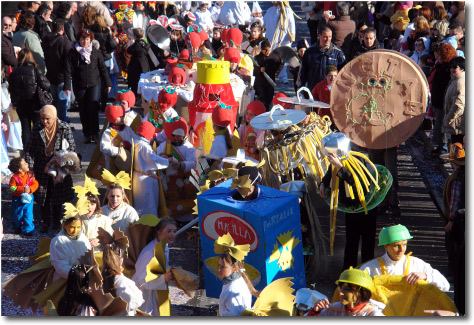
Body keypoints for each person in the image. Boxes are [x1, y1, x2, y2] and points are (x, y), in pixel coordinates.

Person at [319, 152, 377, 270]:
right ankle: (349, 274)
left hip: (367, 204)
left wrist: (340, 167)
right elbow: (330, 173)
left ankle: (367, 273)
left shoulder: (359, 158)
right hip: (351, 206)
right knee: (351, 241)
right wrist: (323, 183)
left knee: (367, 242)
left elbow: (358, 182)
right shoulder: (338, 159)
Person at [24, 105, 76, 233]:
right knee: (43, 196)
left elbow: (72, 148)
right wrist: (30, 167)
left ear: (54, 117)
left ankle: (57, 222)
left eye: (48, 119)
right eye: (42, 118)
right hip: (42, 166)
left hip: (59, 166)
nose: (44, 121)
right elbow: (29, 149)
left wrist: (63, 160)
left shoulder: (64, 127)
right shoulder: (37, 128)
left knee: (58, 195)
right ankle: (46, 222)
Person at [359, 224, 450, 292]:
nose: (401, 249)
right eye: (396, 246)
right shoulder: (370, 268)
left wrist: (426, 276)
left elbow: (445, 285)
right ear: (386, 246)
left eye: (404, 244)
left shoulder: (416, 264)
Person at [64, 29, 112, 144]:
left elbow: (102, 68)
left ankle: (95, 133)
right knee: (83, 109)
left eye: (87, 39)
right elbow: (67, 70)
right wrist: (67, 86)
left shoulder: (95, 52)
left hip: (94, 84)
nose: (84, 42)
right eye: (82, 39)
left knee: (93, 107)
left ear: (90, 40)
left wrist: (108, 83)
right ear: (78, 39)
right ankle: (87, 133)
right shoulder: (73, 53)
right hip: (79, 84)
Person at [132, 217, 178, 316]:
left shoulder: (164, 246)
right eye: (169, 231)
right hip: (145, 295)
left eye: (174, 231)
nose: (172, 234)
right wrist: (162, 278)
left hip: (156, 291)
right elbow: (141, 279)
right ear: (159, 232)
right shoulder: (150, 252)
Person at [8, 48, 50, 146]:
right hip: (35, 102)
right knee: (38, 126)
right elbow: (46, 85)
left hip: (21, 104)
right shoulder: (35, 69)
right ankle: (38, 148)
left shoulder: (14, 72)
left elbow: (12, 89)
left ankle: (27, 151)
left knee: (25, 128)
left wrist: (14, 103)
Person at [307, 267, 384, 316]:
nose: (340, 293)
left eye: (347, 289)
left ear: (362, 293)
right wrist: (315, 312)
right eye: (341, 288)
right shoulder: (334, 309)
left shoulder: (373, 314)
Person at [214, 233, 259, 316]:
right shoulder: (238, 279)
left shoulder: (232, 290)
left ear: (235, 269)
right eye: (219, 265)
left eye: (223, 267)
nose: (219, 269)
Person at [101, 231, 144, 316]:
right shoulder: (120, 281)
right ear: (121, 260)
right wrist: (138, 292)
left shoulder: (102, 278)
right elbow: (135, 301)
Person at [132, 121, 170, 216]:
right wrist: (167, 160)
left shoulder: (136, 142)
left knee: (140, 204)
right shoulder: (144, 146)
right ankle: (149, 226)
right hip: (146, 180)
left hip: (138, 176)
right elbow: (153, 159)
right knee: (149, 205)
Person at [50, 202, 92, 281]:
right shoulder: (58, 241)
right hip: (66, 280)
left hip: (83, 278)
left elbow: (89, 257)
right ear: (64, 225)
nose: (75, 231)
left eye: (78, 227)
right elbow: (60, 266)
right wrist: (77, 274)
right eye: (72, 227)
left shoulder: (83, 238)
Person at [440, 143, 464, 279]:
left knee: (452, 246)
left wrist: (451, 220)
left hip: (458, 219)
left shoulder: (457, 179)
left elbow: (455, 201)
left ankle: (454, 273)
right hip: (462, 218)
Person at [297, 26, 346, 92]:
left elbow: (343, 73)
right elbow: (303, 72)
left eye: (330, 37)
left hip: (330, 91)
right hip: (313, 90)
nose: (327, 39)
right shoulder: (310, 52)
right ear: (319, 36)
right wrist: (301, 90)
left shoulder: (337, 52)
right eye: (325, 37)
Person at [428, 42, 457, 155]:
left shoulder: (447, 69)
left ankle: (443, 149)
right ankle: (440, 147)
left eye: (440, 55)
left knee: (442, 127)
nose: (438, 57)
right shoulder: (440, 66)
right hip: (438, 101)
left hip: (443, 102)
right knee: (438, 125)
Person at [42, 18, 72, 123]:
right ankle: (62, 126)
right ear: (62, 29)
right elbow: (67, 65)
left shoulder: (45, 40)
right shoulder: (64, 42)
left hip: (49, 76)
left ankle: (53, 124)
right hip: (62, 77)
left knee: (52, 104)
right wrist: (68, 84)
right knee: (62, 105)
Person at [263, 2, 296, 84]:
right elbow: (264, 22)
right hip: (271, 37)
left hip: (284, 38)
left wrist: (292, 34)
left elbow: (291, 23)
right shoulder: (270, 10)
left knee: (283, 58)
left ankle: (283, 77)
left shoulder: (287, 11)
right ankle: (270, 75)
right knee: (271, 56)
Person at [8, 157, 39, 236]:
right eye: (25, 164)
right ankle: (17, 226)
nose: (27, 164)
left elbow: (35, 183)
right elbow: (12, 187)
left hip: (28, 199)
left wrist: (30, 189)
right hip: (17, 199)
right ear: (20, 169)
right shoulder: (14, 178)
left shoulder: (29, 176)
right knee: (17, 214)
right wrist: (23, 189)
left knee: (28, 214)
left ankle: (28, 229)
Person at [253, 40, 283, 110]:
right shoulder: (257, 58)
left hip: (270, 82)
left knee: (269, 98)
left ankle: (267, 110)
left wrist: (277, 72)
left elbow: (281, 63)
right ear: (261, 50)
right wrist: (259, 70)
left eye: (268, 50)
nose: (267, 52)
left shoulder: (274, 57)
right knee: (261, 98)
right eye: (265, 50)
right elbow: (252, 69)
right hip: (260, 82)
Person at [442, 56, 464, 147]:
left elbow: (458, 105)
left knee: (458, 153)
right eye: (450, 67)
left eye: (455, 67)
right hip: (457, 124)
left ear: (462, 68)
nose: (451, 69)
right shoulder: (455, 80)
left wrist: (448, 119)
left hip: (458, 125)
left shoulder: (459, 82)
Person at [127, 27, 150, 99]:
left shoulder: (136, 45)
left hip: (136, 67)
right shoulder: (145, 43)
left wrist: (130, 44)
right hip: (145, 65)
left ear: (135, 36)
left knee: (134, 83)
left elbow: (129, 50)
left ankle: (135, 98)